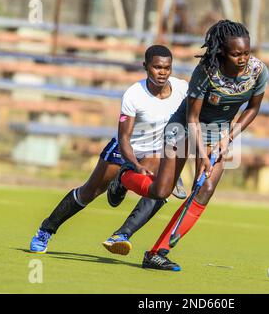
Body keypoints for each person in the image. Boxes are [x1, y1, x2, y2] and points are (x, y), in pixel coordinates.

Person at [108, 20, 269, 271]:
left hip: (219, 131)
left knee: (204, 188)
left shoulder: (258, 71)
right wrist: (203, 155)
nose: (243, 59)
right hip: (184, 127)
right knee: (161, 192)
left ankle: (157, 253)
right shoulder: (206, 72)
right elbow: (192, 118)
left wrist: (228, 138)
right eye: (236, 54)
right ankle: (124, 177)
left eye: (246, 52)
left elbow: (253, 108)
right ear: (223, 52)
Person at [29, 45, 188, 255]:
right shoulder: (134, 94)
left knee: (161, 190)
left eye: (167, 68)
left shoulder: (182, 89)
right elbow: (124, 138)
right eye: (157, 67)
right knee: (89, 192)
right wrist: (134, 165)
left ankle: (122, 234)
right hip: (126, 149)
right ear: (145, 67)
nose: (162, 73)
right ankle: (45, 230)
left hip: (155, 152)